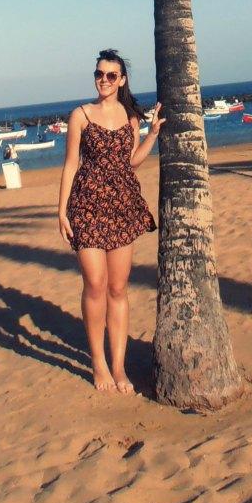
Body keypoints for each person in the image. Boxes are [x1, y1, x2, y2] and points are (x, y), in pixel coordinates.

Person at [58, 49, 164, 394]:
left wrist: (150, 135)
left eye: (111, 75)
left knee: (118, 289)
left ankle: (118, 367)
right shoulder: (81, 115)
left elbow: (131, 161)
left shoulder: (131, 115)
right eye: (99, 74)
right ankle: (98, 363)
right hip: (87, 206)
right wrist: (61, 210)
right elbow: (71, 163)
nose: (104, 80)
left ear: (122, 79)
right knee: (95, 285)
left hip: (122, 205)